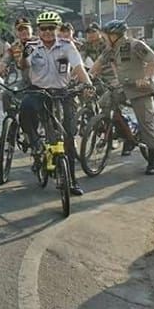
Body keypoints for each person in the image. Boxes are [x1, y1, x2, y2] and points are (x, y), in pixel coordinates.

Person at [18, 11, 92, 195]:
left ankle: (72, 181)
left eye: (52, 28)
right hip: (39, 90)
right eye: (44, 28)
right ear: (38, 30)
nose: (48, 32)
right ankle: (36, 143)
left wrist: (88, 84)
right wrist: (24, 55)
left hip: (62, 92)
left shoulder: (67, 46)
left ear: (58, 29)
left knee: (68, 135)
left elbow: (78, 67)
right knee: (24, 110)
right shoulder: (32, 45)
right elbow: (23, 65)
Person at [90, 20, 154, 174]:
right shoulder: (110, 49)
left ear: (114, 35)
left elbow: (153, 59)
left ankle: (153, 158)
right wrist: (88, 78)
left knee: (146, 123)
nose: (103, 38)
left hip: (141, 88)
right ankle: (126, 134)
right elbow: (98, 64)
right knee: (105, 102)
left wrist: (147, 78)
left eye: (105, 35)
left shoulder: (134, 45)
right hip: (124, 86)